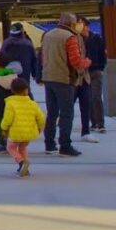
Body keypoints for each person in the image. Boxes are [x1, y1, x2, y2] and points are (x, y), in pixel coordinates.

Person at [40, 12, 90, 157]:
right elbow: (76, 62)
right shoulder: (70, 37)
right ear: (71, 24)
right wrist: (87, 62)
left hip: (49, 78)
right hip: (64, 79)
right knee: (67, 114)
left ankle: (49, 144)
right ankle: (65, 146)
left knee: (52, 113)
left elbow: (43, 57)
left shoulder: (48, 35)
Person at [1, 78, 45, 178]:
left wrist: (4, 128)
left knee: (11, 147)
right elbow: (41, 117)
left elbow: (7, 119)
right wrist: (39, 128)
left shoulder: (10, 103)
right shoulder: (33, 104)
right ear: (27, 90)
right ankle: (25, 168)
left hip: (15, 133)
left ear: (12, 90)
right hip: (29, 133)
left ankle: (21, 163)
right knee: (23, 148)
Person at [74, 18, 98, 144]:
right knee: (68, 106)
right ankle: (63, 131)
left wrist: (97, 67)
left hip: (87, 75)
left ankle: (87, 130)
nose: (82, 27)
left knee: (87, 103)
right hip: (73, 77)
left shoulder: (94, 38)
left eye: (83, 25)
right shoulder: (72, 38)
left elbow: (99, 54)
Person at [85, 18, 108, 134]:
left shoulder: (96, 38)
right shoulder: (77, 39)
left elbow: (102, 53)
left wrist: (101, 68)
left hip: (96, 71)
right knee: (87, 98)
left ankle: (100, 123)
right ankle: (93, 122)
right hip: (83, 73)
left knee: (96, 97)